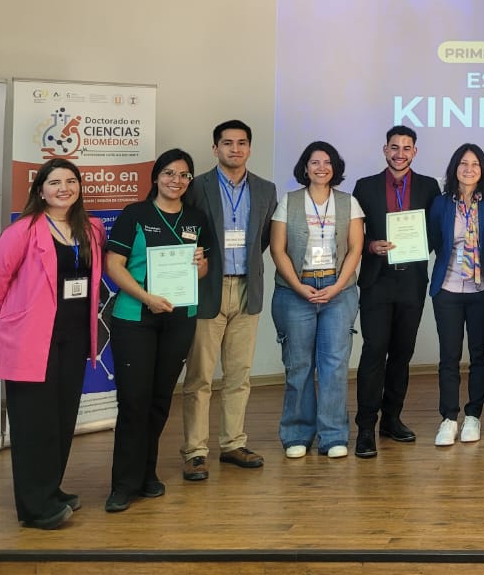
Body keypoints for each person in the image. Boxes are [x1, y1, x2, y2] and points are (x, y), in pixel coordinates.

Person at [0, 160, 105, 530]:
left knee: (62, 419)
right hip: (33, 341)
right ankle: (34, 508)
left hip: (75, 336)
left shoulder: (91, 229)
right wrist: (21, 316)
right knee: (33, 424)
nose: (63, 188)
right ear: (40, 190)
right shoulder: (22, 231)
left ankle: (51, 489)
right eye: (54, 182)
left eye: (70, 181)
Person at [103, 149, 211, 513]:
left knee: (160, 400)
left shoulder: (196, 218)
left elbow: (201, 270)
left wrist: (199, 264)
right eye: (168, 173)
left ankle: (147, 475)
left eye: (183, 175)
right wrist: (146, 296)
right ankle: (122, 484)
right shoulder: (135, 214)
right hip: (136, 317)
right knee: (134, 401)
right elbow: (113, 264)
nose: (175, 181)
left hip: (179, 318)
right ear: (156, 176)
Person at [179, 120, 278, 481]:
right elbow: (184, 230)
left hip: (247, 289)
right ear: (215, 149)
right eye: (227, 143)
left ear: (250, 148)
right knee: (201, 375)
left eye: (241, 143)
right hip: (208, 288)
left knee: (239, 374)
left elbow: (262, 240)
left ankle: (233, 443)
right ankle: (195, 451)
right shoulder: (197, 187)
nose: (234, 149)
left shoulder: (266, 189)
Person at [269, 141, 363, 460]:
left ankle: (334, 435)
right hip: (296, 290)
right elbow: (277, 249)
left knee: (334, 366)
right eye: (314, 162)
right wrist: (297, 285)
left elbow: (354, 249)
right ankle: (297, 433)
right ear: (305, 167)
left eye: (327, 162)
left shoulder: (349, 203)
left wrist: (336, 287)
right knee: (298, 365)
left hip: (339, 291)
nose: (321, 167)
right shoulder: (289, 201)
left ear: (335, 167)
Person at [352, 125, 440, 454]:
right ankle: (365, 427)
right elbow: (353, 235)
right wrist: (370, 246)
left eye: (406, 148)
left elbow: (437, 230)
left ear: (415, 152)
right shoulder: (365, 187)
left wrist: (421, 245)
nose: (400, 153)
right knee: (374, 352)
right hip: (377, 280)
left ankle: (392, 419)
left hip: (412, 281)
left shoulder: (430, 187)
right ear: (384, 150)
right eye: (394, 147)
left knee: (402, 354)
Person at [427, 144, 484, 446]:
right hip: (448, 290)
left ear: (482, 170)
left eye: (475, 164)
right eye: (463, 163)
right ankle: (448, 418)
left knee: (480, 355)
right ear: (454, 168)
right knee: (449, 356)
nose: (469, 169)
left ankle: (473, 415)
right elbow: (430, 241)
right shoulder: (441, 204)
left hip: (482, 290)